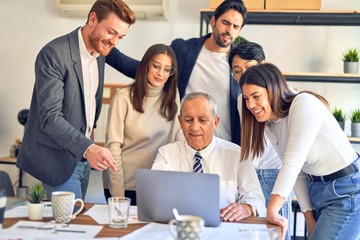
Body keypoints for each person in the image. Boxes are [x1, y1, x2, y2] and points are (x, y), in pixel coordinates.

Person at [16, 0, 136, 200]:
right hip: (58, 159)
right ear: (92, 19)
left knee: (76, 221)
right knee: (69, 224)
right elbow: (50, 117)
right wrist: (89, 148)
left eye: (120, 37)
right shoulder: (54, 54)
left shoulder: (102, 49)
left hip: (82, 159)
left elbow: (136, 68)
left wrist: (170, 69)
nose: (114, 41)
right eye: (112, 32)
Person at [239, 63, 360, 239]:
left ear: (273, 90)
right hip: (318, 190)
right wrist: (309, 219)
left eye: (256, 96)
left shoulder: (303, 103)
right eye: (246, 98)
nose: (250, 104)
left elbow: (293, 163)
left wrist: (272, 210)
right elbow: (299, 174)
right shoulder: (270, 124)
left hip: (347, 190)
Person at [106, 0, 248, 145]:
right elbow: (145, 70)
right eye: (225, 22)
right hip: (184, 145)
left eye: (235, 26)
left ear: (239, 31)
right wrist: (106, 49)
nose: (229, 30)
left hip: (225, 147)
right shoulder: (183, 50)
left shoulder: (241, 63)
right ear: (213, 21)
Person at [151, 92, 266, 221]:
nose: (194, 127)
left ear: (215, 122)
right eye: (188, 120)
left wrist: (247, 207)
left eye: (202, 120)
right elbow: (154, 196)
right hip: (180, 230)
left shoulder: (237, 155)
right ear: (180, 121)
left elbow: (257, 201)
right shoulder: (166, 154)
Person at [102, 44, 183, 205]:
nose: (161, 73)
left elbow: (177, 138)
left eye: (167, 69)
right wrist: (118, 195)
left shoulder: (172, 97)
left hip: (157, 184)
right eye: (156, 66)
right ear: (146, 65)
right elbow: (113, 148)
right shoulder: (123, 97)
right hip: (125, 185)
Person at [229, 41, 291, 240]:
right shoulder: (242, 100)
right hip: (251, 175)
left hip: (275, 175)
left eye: (248, 67)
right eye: (236, 71)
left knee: (277, 233)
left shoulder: (287, 97)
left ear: (263, 64)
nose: (242, 75)